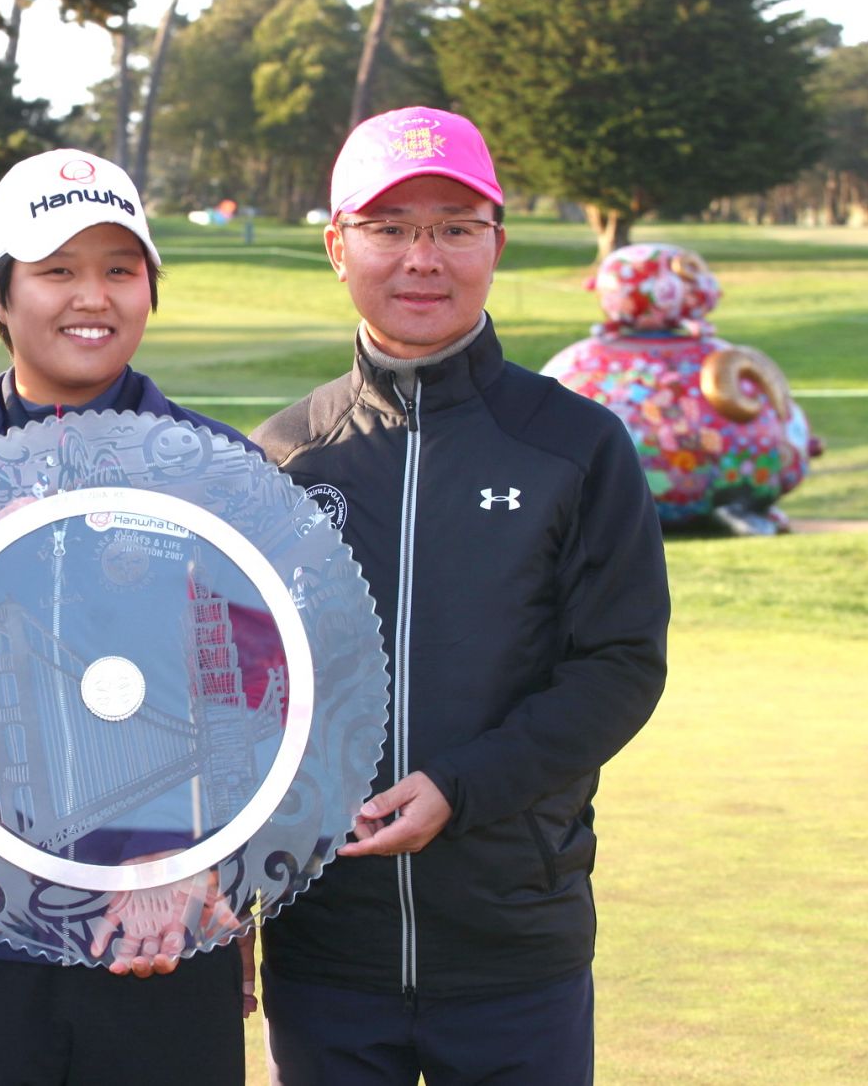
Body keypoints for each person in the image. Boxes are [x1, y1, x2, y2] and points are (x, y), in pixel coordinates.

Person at [250, 106, 671, 1084]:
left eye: (452, 225)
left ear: (497, 241)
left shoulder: (575, 444)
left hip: (513, 949)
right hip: (325, 957)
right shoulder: (277, 458)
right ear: (334, 246)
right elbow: (234, 691)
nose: (420, 258)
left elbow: (618, 667)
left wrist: (459, 786)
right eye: (388, 228)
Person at [0, 148, 254, 1086]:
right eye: (57, 270)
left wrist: (212, 874)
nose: (93, 297)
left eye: (120, 270)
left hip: (160, 932)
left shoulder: (220, 468)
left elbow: (266, 706)